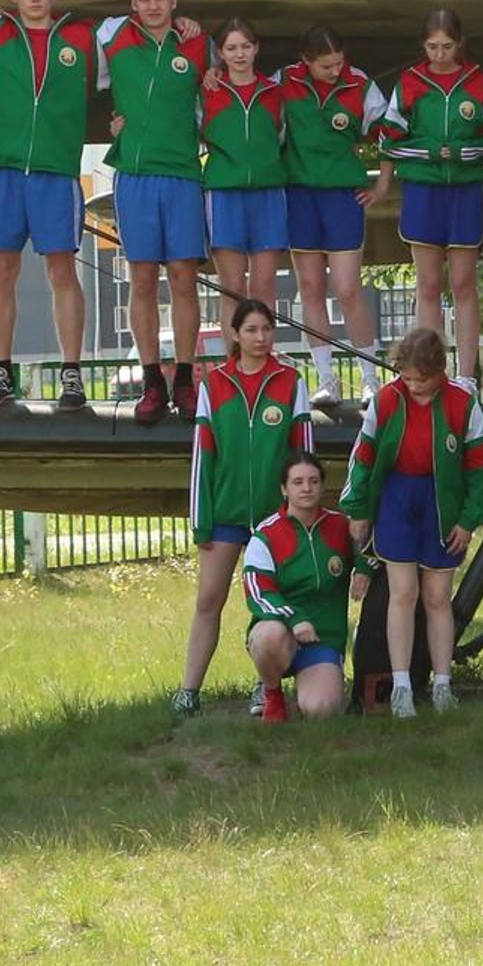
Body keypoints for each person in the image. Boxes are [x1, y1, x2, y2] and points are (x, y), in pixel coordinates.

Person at [0, 0, 96, 413]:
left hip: (55, 170)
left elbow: (139, 46)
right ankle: (1, 370)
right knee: (2, 270)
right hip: (2, 168)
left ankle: (72, 374)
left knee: (62, 271)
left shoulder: (84, 38)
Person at [339, 326, 483, 718]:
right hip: (397, 499)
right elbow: (364, 457)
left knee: (437, 597)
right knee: (401, 594)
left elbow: (479, 469)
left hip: (442, 502)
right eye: (405, 378)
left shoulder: (462, 402)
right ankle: (401, 687)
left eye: (421, 380)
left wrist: (468, 519)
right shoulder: (388, 400)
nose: (413, 387)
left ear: (440, 372)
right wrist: (357, 507)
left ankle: (442, 684)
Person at [176, 297, 314, 715]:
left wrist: (297, 514)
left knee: (268, 603)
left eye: (267, 329)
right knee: (208, 600)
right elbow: (204, 455)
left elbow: (303, 453)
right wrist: (201, 520)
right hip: (225, 515)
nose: (260, 338)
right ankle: (188, 690)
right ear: (235, 335)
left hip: (274, 519)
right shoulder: (214, 384)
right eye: (251, 330)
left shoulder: (290, 382)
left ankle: (265, 684)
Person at [97, 0, 211, 428]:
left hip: (182, 173)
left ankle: (184, 377)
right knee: (141, 277)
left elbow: (216, 98)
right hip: (135, 175)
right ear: (132, 3)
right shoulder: (112, 37)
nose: (152, 6)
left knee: (184, 277)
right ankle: (151, 380)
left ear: (174, 1)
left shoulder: (197, 45)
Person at [376, 7, 483, 382]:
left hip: (465, 190)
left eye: (446, 46)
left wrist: (461, 152)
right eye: (432, 47)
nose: (439, 55)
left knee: (463, 283)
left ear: (459, 44)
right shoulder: (410, 82)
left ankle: (467, 375)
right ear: (422, 46)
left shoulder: (479, 83)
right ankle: (428, 370)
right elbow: (388, 139)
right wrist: (428, 150)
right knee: (427, 284)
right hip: (423, 191)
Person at [277, 25, 390, 419]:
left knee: (347, 289)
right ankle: (326, 379)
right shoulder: (284, 81)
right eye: (326, 66)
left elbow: (390, 131)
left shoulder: (359, 84)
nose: (335, 71)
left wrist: (383, 185)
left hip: (343, 194)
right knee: (309, 286)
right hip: (299, 193)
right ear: (305, 63)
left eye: (339, 63)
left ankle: (370, 378)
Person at [243, 453, 365, 721]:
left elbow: (369, 551)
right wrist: (295, 618)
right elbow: (258, 591)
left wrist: (363, 570)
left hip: (323, 638)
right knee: (267, 637)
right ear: (284, 489)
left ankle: (308, 689)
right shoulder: (267, 534)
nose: (306, 488)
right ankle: (272, 693)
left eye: (313, 481)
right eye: (297, 482)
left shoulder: (340, 526)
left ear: (322, 486)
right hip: (283, 631)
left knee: (321, 711)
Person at [198, 19, 289, 313]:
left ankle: (264, 355)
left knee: (264, 285)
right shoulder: (207, 92)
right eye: (231, 48)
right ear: (220, 53)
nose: (239, 54)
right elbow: (187, 128)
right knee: (232, 287)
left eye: (246, 47)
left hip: (269, 193)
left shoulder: (275, 92)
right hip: (224, 193)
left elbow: (284, 135)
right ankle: (233, 357)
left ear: (256, 49)